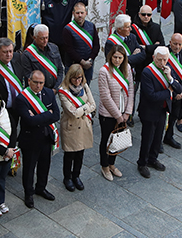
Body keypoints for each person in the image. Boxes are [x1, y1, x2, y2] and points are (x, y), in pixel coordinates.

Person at [14, 69, 60, 207]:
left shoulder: (49, 93)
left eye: (41, 83)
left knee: (44, 166)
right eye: (36, 83)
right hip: (30, 140)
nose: (38, 86)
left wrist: (39, 117)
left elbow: (56, 115)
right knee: (29, 169)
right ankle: (28, 193)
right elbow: (30, 121)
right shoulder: (22, 98)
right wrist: (47, 114)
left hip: (46, 136)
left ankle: (41, 188)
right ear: (29, 81)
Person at [137, 47, 175, 178]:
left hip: (162, 110)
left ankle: (153, 159)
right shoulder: (148, 72)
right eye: (159, 60)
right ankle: (142, 163)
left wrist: (170, 78)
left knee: (158, 137)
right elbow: (151, 95)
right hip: (149, 111)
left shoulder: (167, 70)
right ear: (154, 58)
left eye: (165, 60)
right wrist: (168, 91)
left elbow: (179, 88)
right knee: (147, 138)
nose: (162, 63)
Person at [96, 46, 133, 181]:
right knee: (106, 140)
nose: (117, 60)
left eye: (120, 57)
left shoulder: (127, 68)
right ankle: (104, 166)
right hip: (108, 114)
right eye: (115, 57)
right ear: (110, 57)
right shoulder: (103, 72)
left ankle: (112, 164)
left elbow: (131, 90)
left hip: (123, 113)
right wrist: (118, 116)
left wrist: (127, 112)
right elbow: (105, 97)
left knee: (117, 139)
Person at [57, 64, 95, 192]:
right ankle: (67, 177)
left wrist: (82, 109)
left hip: (83, 124)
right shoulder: (63, 90)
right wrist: (86, 107)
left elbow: (93, 105)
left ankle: (76, 175)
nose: (77, 81)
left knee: (80, 153)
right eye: (74, 78)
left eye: (79, 78)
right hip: (71, 126)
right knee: (69, 154)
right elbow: (72, 112)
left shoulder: (84, 86)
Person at [59, 1, 100, 83]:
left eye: (82, 13)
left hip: (88, 65)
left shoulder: (91, 26)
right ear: (73, 13)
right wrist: (82, 62)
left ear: (86, 13)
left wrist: (90, 60)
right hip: (73, 65)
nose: (80, 15)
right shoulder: (67, 29)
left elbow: (96, 45)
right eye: (77, 13)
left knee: (86, 86)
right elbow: (69, 49)